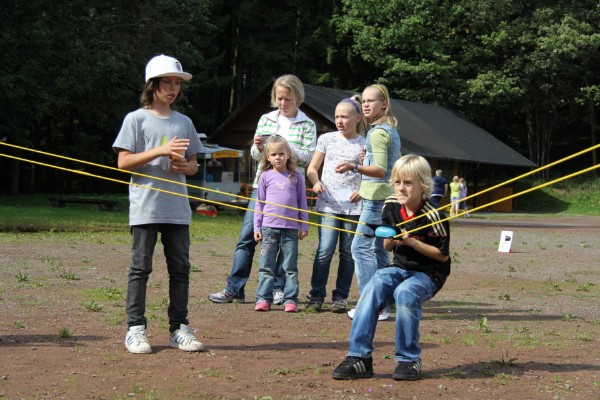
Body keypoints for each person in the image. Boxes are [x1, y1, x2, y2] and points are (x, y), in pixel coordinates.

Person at [113, 54, 204, 354]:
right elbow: (123, 162)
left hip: (177, 209)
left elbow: (194, 165)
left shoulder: (184, 122)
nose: (173, 88)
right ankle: (135, 329)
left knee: (180, 270)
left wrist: (185, 167)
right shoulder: (135, 119)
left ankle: (179, 329)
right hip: (145, 208)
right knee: (140, 269)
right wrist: (160, 150)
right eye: (167, 81)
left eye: (177, 83)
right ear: (152, 85)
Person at [332, 154, 451, 381]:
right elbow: (387, 245)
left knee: (405, 292)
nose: (401, 188)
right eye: (397, 182)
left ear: (423, 185)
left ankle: (409, 360)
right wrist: (393, 240)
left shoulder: (434, 215)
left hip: (429, 273)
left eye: (408, 183)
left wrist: (412, 241)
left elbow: (442, 256)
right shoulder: (391, 206)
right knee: (374, 283)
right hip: (399, 266)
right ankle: (359, 358)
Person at [209, 75, 317, 304]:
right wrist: (257, 147)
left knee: (283, 240)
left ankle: (277, 289)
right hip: (263, 186)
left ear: (297, 97)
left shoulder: (307, 124)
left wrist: (287, 150)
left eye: (287, 98)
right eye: (279, 98)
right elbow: (257, 157)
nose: (282, 103)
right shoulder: (266, 119)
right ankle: (234, 288)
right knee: (247, 237)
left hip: (289, 187)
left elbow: (308, 158)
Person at [335, 84, 401, 321]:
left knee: (359, 248)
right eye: (364, 101)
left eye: (371, 101)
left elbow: (381, 169)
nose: (366, 104)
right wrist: (366, 159)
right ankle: (383, 303)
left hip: (376, 200)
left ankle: (372, 304)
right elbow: (393, 163)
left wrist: (354, 166)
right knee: (379, 251)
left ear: (384, 104)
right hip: (387, 198)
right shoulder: (387, 130)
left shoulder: (378, 132)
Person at [305, 96, 366, 313]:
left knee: (348, 253)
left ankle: (341, 297)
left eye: (345, 117)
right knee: (324, 250)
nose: (340, 121)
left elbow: (371, 175)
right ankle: (316, 296)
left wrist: (362, 191)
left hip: (353, 208)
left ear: (357, 118)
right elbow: (312, 168)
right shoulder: (327, 139)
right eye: (337, 116)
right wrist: (316, 182)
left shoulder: (365, 144)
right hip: (328, 204)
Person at [253, 135, 309, 312]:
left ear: (288, 155)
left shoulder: (297, 176)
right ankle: (263, 298)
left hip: (290, 230)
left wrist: (304, 224)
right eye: (274, 154)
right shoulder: (265, 176)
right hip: (268, 229)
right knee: (266, 266)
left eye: (281, 153)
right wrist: (257, 226)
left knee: (290, 267)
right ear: (268, 157)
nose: (278, 157)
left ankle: (290, 299)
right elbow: (259, 203)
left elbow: (303, 201)